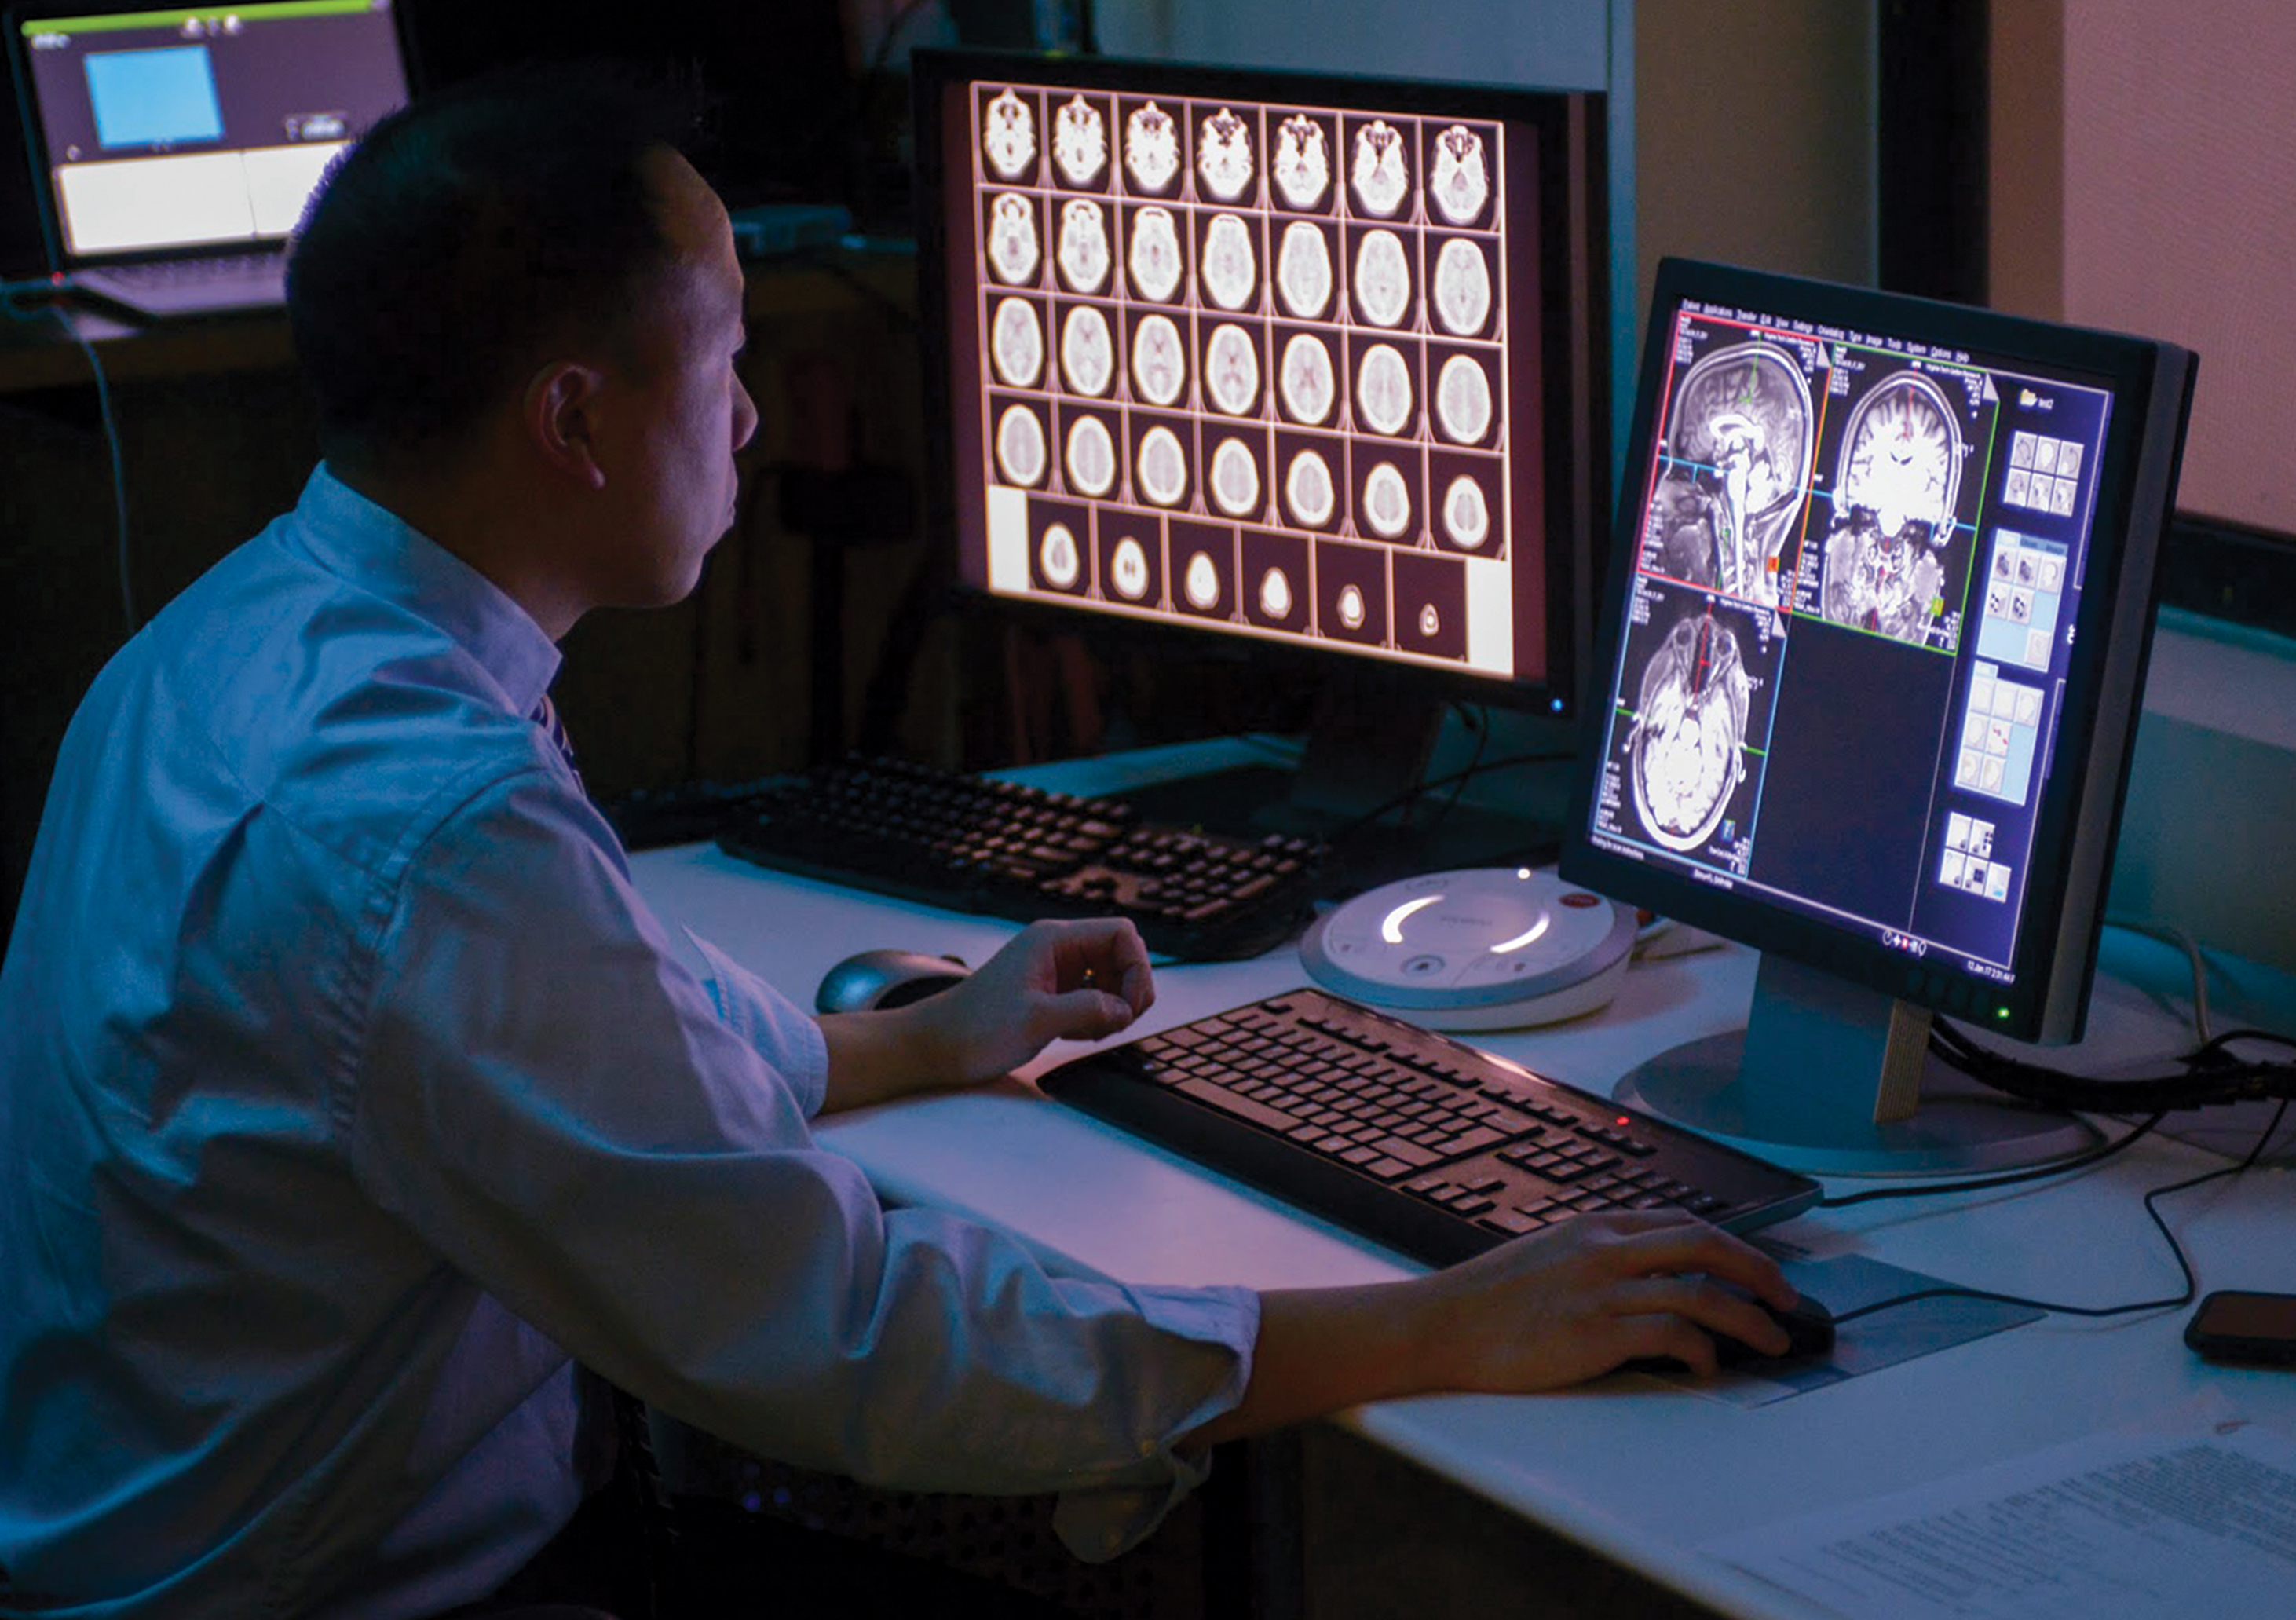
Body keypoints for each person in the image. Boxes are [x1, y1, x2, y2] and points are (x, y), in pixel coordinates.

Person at [0, 65, 1796, 1620]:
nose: (758, 413)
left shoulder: (236, 648)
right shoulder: (427, 825)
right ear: (572, 422)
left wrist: (907, 1041)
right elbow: (842, 1330)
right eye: (724, 357)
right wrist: (1435, 1328)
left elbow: (556, 1054)